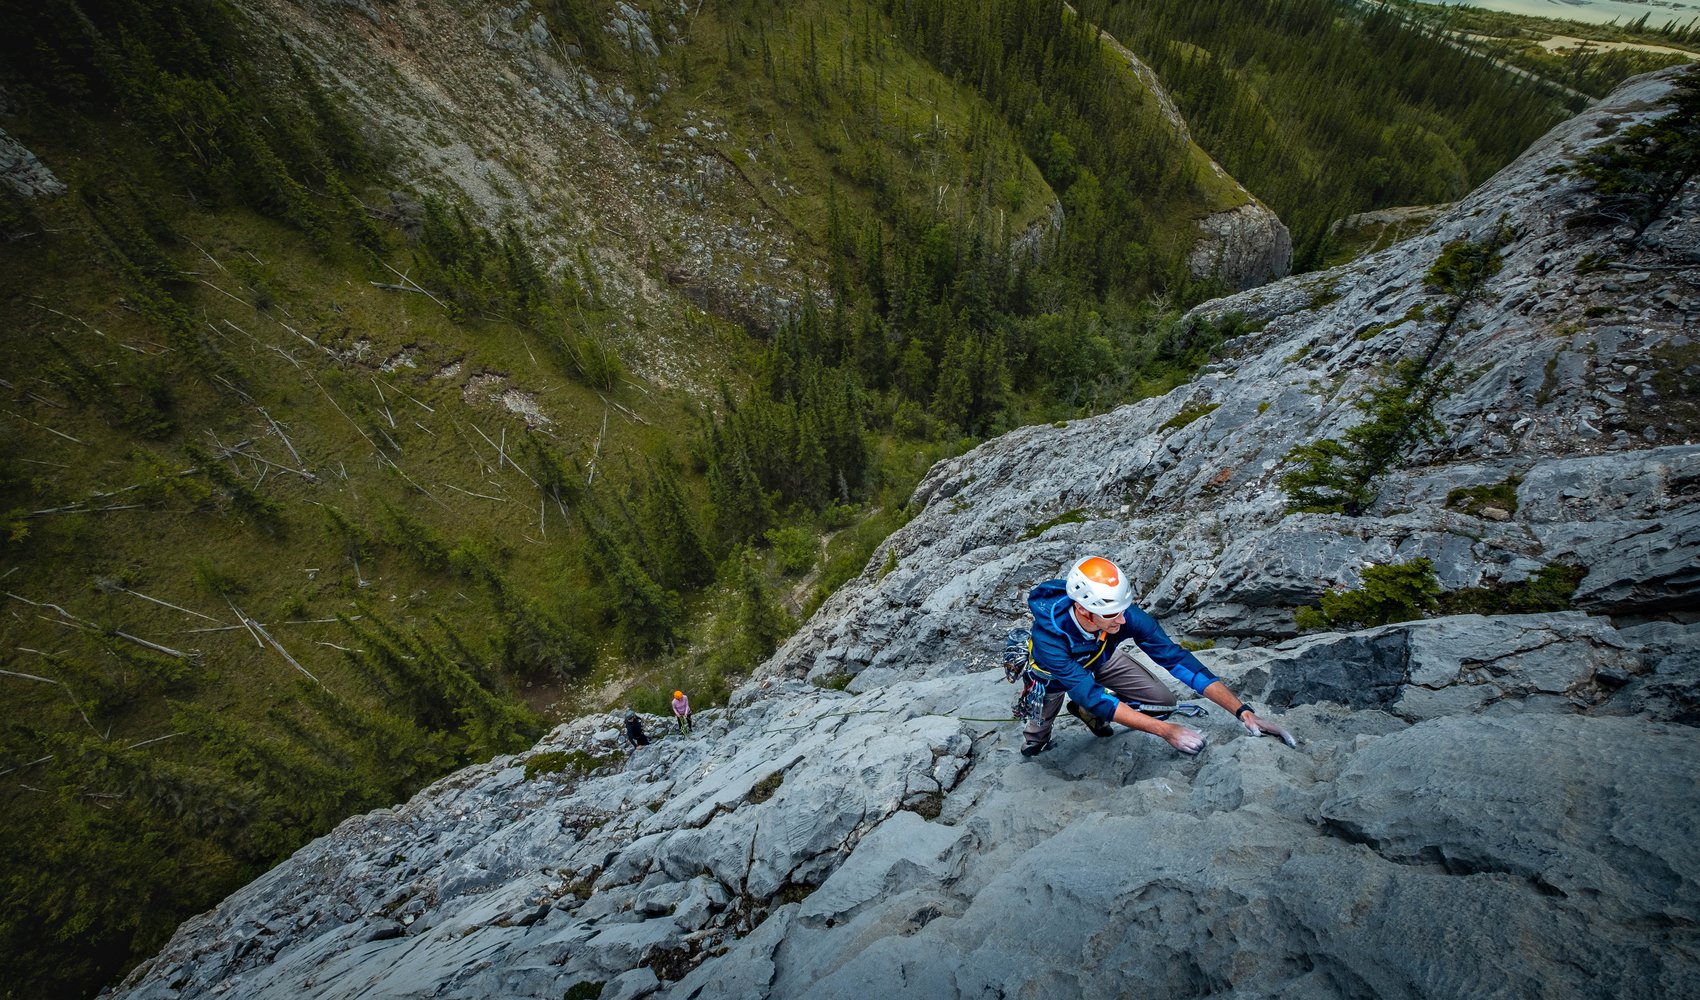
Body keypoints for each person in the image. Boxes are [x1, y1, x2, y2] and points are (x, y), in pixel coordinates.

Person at [1019, 555, 1296, 758]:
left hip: (1100, 658)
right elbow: (1088, 693)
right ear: (1082, 610)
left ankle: (1088, 713)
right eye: (1112, 614)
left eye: (1123, 610)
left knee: (1162, 703)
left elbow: (1176, 659)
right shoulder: (1049, 639)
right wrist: (1166, 731)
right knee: (1036, 738)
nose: (1122, 620)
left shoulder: (1123, 616)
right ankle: (1037, 737)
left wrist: (1243, 711)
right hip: (1052, 676)